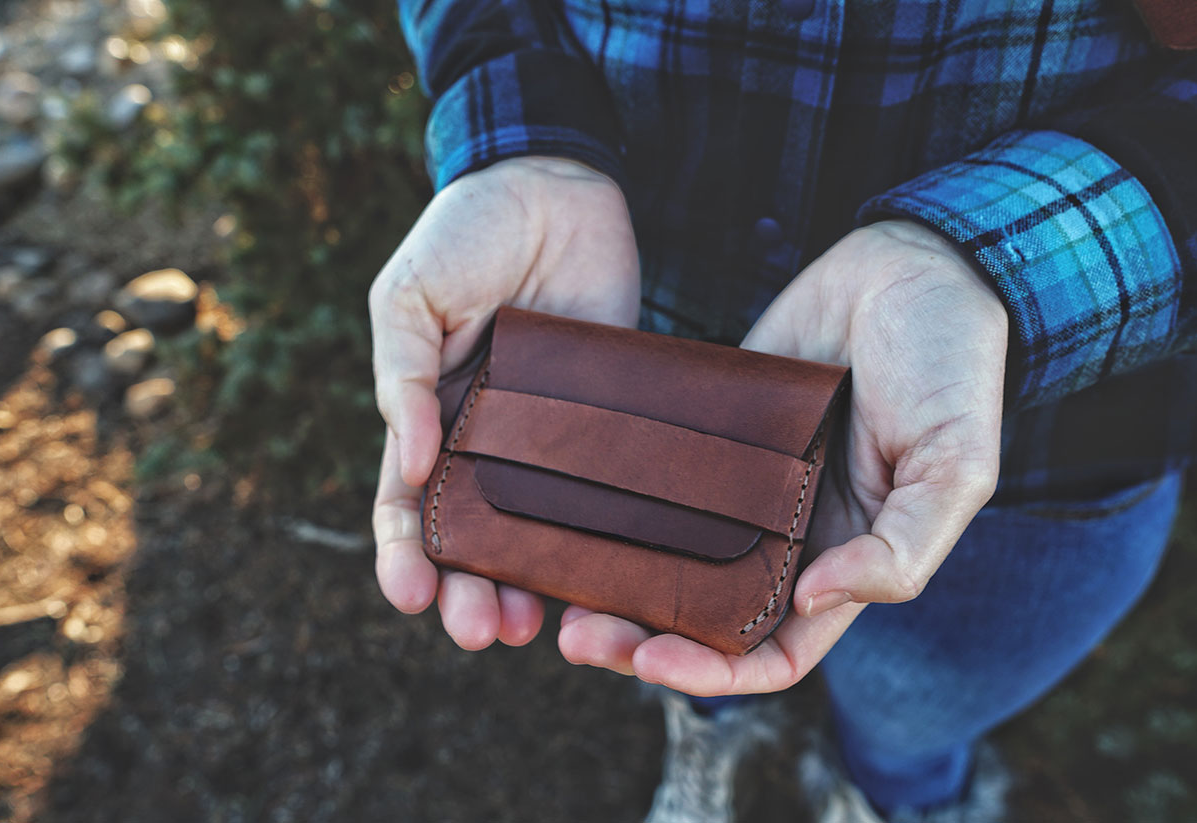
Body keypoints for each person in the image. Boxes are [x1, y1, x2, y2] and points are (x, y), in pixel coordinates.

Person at [369, 1, 1197, 820]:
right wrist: (522, 140)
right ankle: (713, 725)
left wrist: (999, 267)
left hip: (1045, 437)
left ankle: (894, 796)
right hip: (603, 334)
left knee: (913, 717)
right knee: (682, 640)